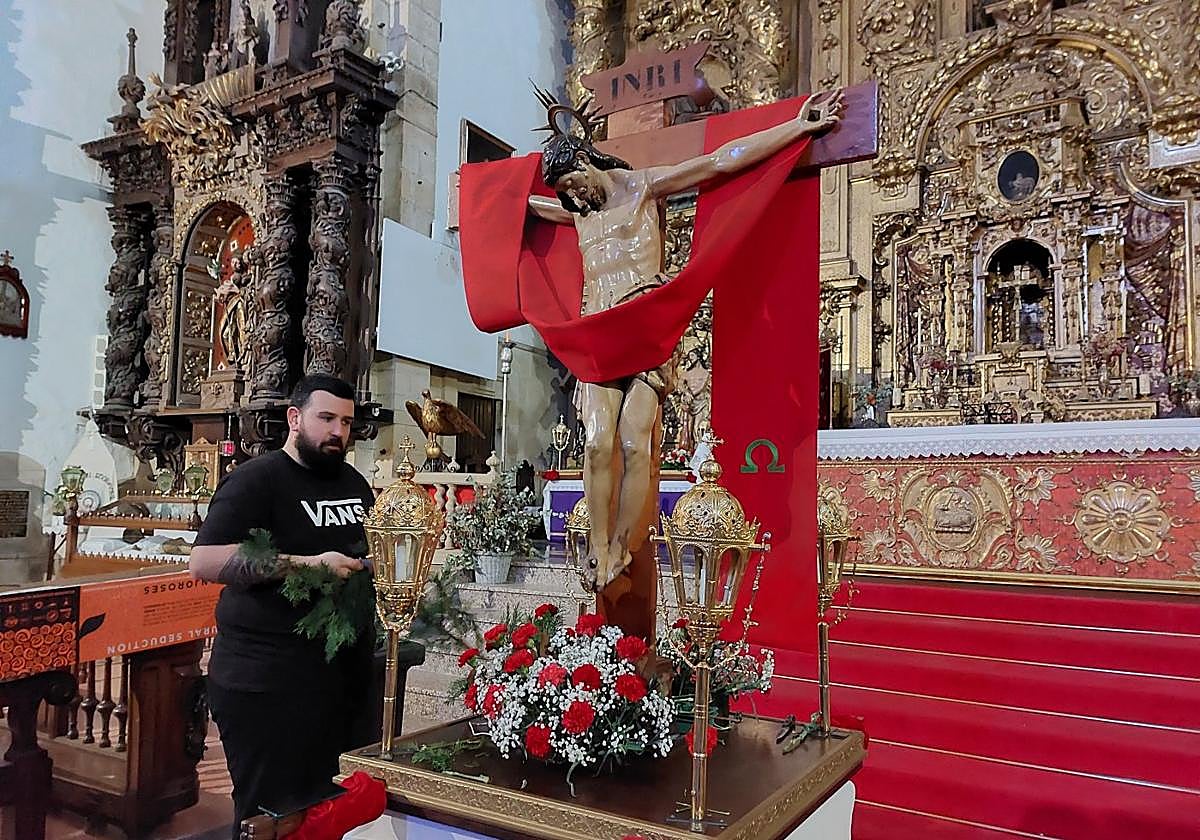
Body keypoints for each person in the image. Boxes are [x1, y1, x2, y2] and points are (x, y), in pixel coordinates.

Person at [526, 89, 843, 590]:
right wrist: (482, 193)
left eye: (575, 183)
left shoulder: (643, 188)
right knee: (594, 444)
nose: (575, 197)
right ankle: (598, 548)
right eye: (565, 191)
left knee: (635, 444)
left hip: (644, 330)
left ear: (587, 160)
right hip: (597, 335)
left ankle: (621, 554)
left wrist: (798, 128)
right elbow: (521, 207)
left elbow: (719, 162)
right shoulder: (577, 212)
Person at [189, 374, 376, 834]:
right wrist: (309, 564)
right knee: (270, 816)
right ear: (295, 418)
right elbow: (205, 561)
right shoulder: (257, 480)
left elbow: (372, 550)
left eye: (346, 422)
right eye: (326, 418)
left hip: (336, 680)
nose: (337, 431)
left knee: (322, 809)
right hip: (265, 681)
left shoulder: (353, 483)